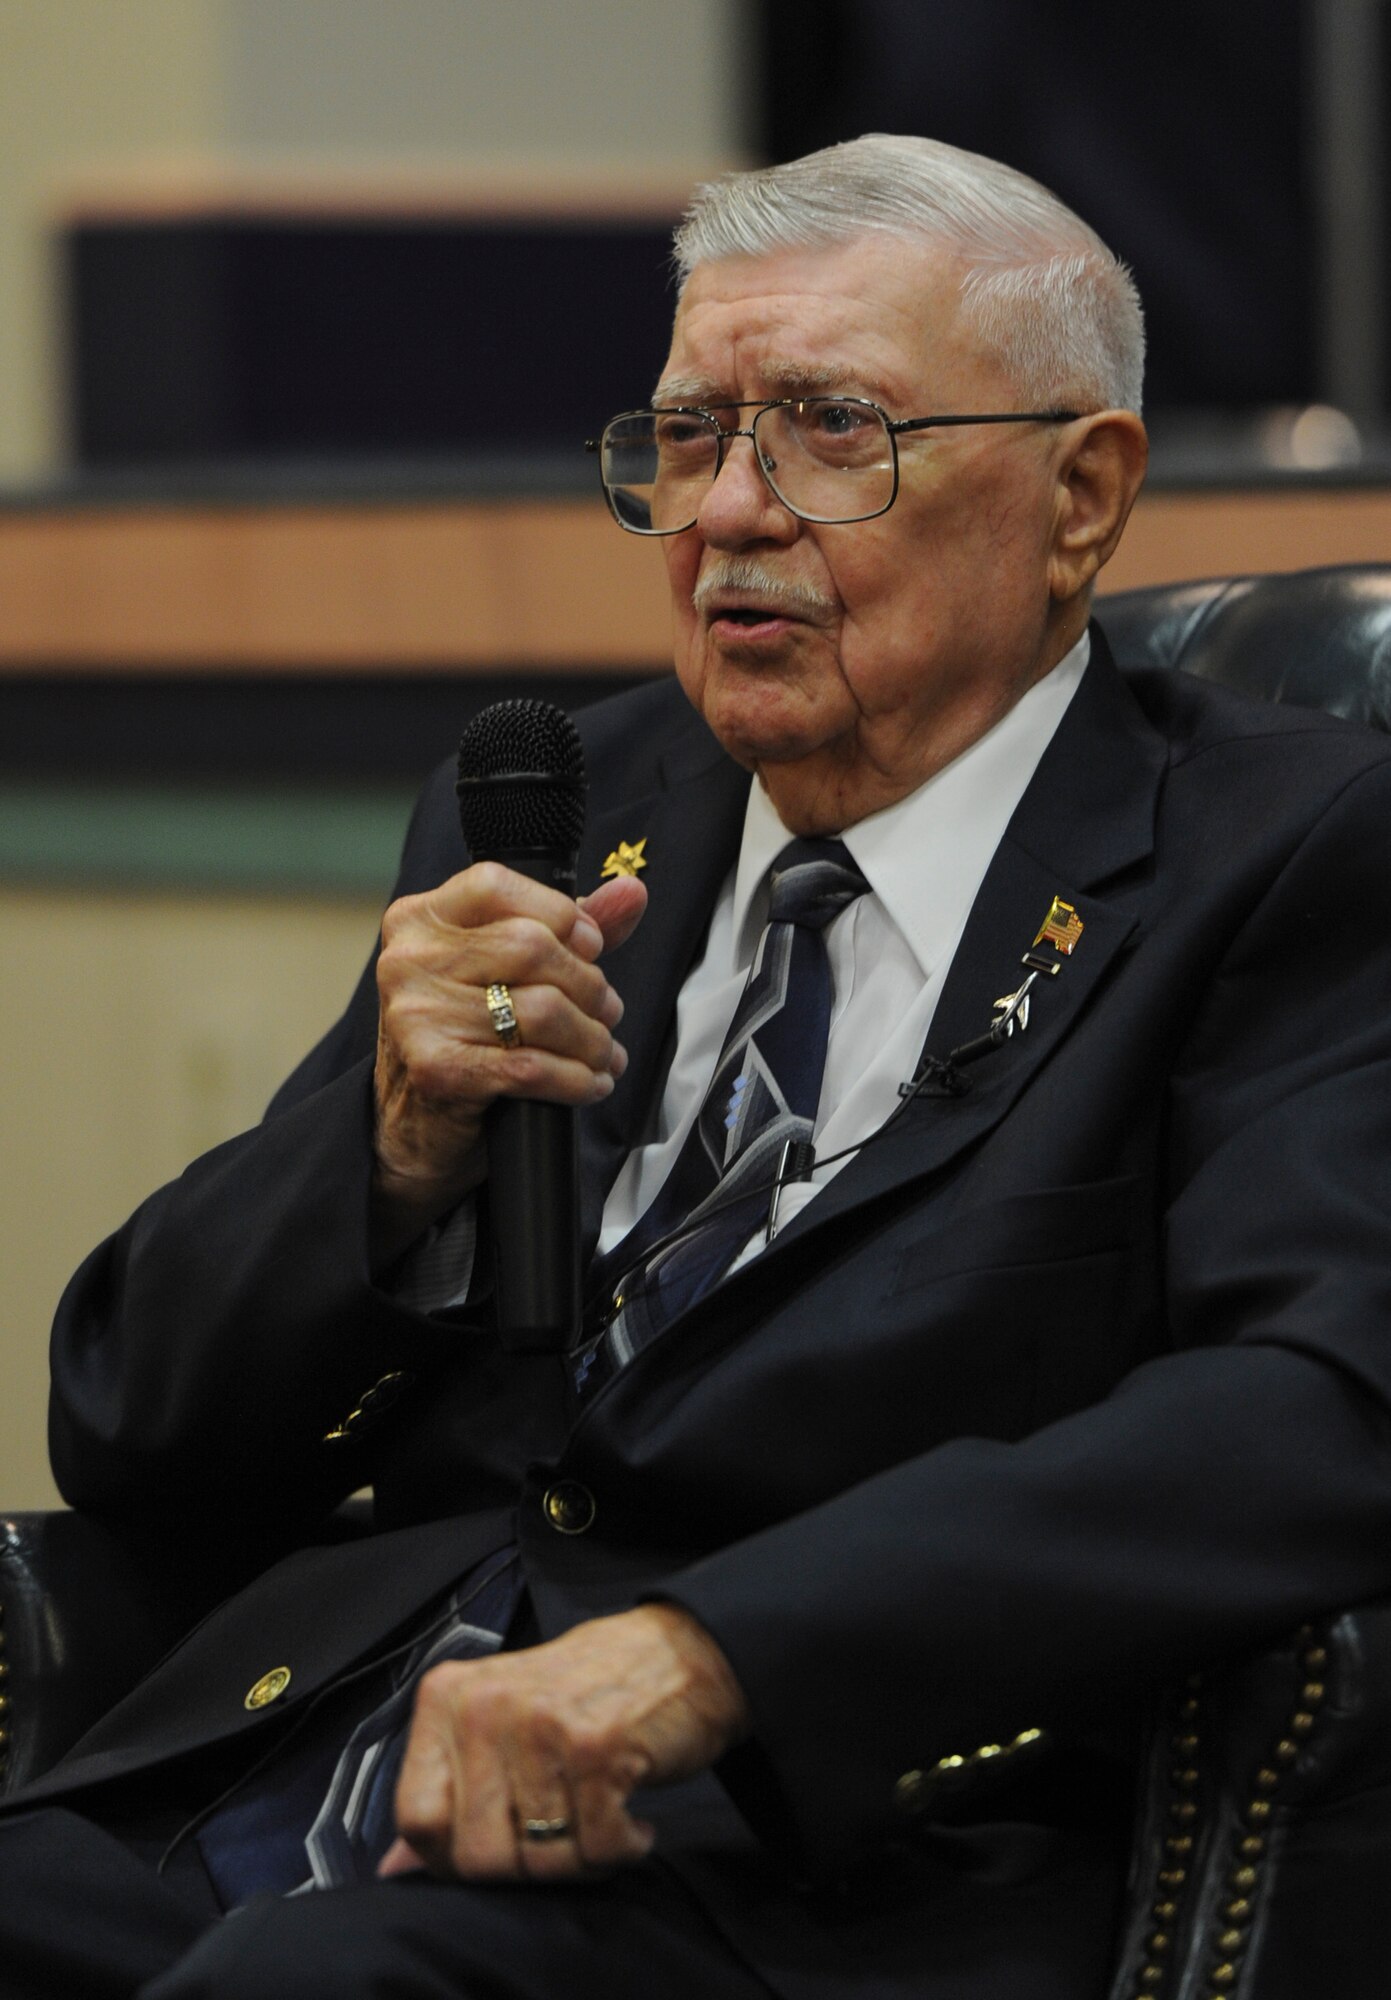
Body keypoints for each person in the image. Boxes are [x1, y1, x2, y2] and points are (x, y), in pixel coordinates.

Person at [3, 133, 1391, 2000]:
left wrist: (714, 1652)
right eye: (684, 436)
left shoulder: (1285, 853)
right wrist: (388, 1157)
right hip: (299, 1781)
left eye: (832, 428)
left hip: (798, 1857)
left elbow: (1315, 1417)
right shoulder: (570, 808)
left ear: (1083, 495)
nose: (731, 509)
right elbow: (131, 1424)